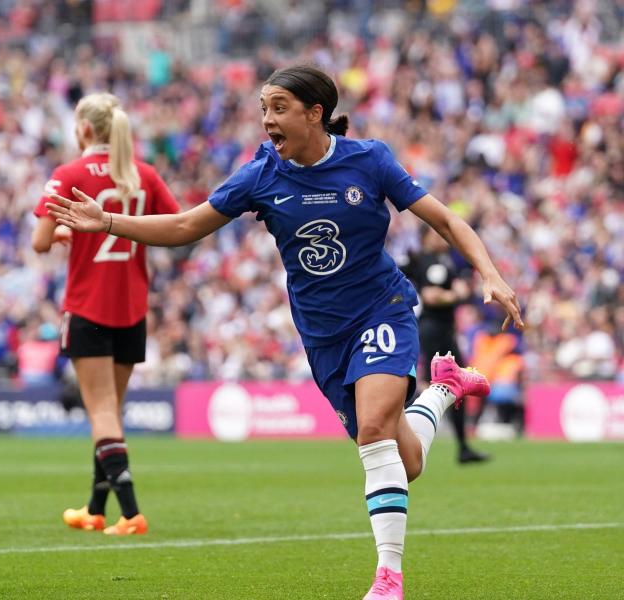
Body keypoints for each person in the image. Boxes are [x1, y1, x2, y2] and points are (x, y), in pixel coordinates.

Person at [47, 65, 525, 600]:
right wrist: (107, 222)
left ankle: (388, 578)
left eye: (278, 108)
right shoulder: (260, 176)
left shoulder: (370, 160)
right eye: (263, 109)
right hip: (322, 336)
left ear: (314, 113)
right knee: (405, 460)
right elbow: (185, 226)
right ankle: (444, 389)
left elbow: (447, 221)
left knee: (373, 433)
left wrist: (491, 273)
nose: (266, 120)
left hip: (382, 309)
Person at [32, 92, 179, 535]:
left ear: (83, 130)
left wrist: (60, 232)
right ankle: (96, 508)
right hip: (131, 306)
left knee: (100, 413)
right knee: (111, 411)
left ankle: (131, 513)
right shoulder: (144, 175)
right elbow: (174, 226)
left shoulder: (69, 174)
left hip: (87, 305)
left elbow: (39, 241)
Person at [404, 227, 491, 463]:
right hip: (435, 330)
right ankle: (407, 435)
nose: (444, 237)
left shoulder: (438, 260)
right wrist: (457, 295)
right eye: (437, 234)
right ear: (427, 239)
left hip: (442, 330)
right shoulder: (434, 263)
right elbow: (431, 295)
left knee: (449, 384)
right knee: (446, 383)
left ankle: (461, 445)